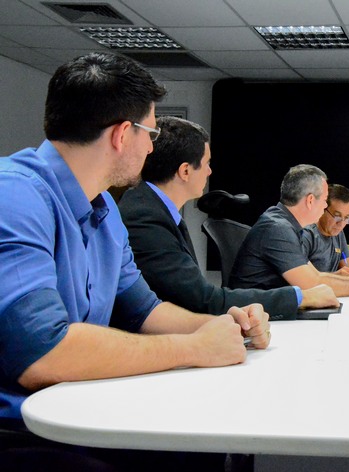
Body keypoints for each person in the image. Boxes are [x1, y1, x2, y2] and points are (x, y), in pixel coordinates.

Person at [0, 53, 268, 470]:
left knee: (203, 447)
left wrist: (227, 325)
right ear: (123, 135)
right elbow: (43, 354)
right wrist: (193, 347)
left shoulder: (104, 206)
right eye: (151, 132)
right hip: (23, 427)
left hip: (71, 406)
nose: (151, 146)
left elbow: (144, 309)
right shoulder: (15, 196)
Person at [118, 116, 339, 321]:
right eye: (206, 164)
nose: (210, 172)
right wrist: (301, 298)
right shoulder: (146, 217)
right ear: (185, 171)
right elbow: (202, 301)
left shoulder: (155, 209)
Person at [229, 164, 349, 296]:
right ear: (310, 201)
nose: (324, 207)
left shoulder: (286, 224)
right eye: (324, 201)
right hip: (253, 316)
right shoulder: (277, 228)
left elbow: (315, 275)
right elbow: (311, 284)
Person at [302, 183, 349, 276]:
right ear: (322, 209)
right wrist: (336, 277)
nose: (341, 224)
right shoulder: (306, 234)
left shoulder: (338, 232)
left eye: (347, 218)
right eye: (337, 216)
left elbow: (348, 272)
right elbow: (301, 279)